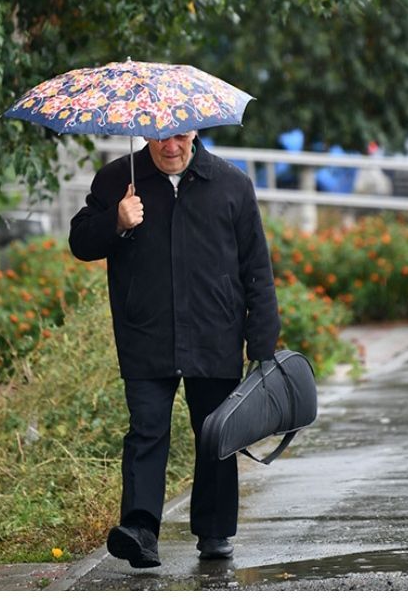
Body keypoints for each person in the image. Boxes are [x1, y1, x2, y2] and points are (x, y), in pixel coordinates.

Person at [69, 130, 281, 568]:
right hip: (145, 331)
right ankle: (141, 530)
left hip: (214, 331)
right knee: (146, 431)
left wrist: (262, 340)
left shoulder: (231, 184)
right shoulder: (117, 180)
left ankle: (216, 530)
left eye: (180, 137)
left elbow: (256, 266)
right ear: (145, 134)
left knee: (216, 434)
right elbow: (80, 242)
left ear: (195, 132)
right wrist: (117, 221)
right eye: (161, 137)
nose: (170, 147)